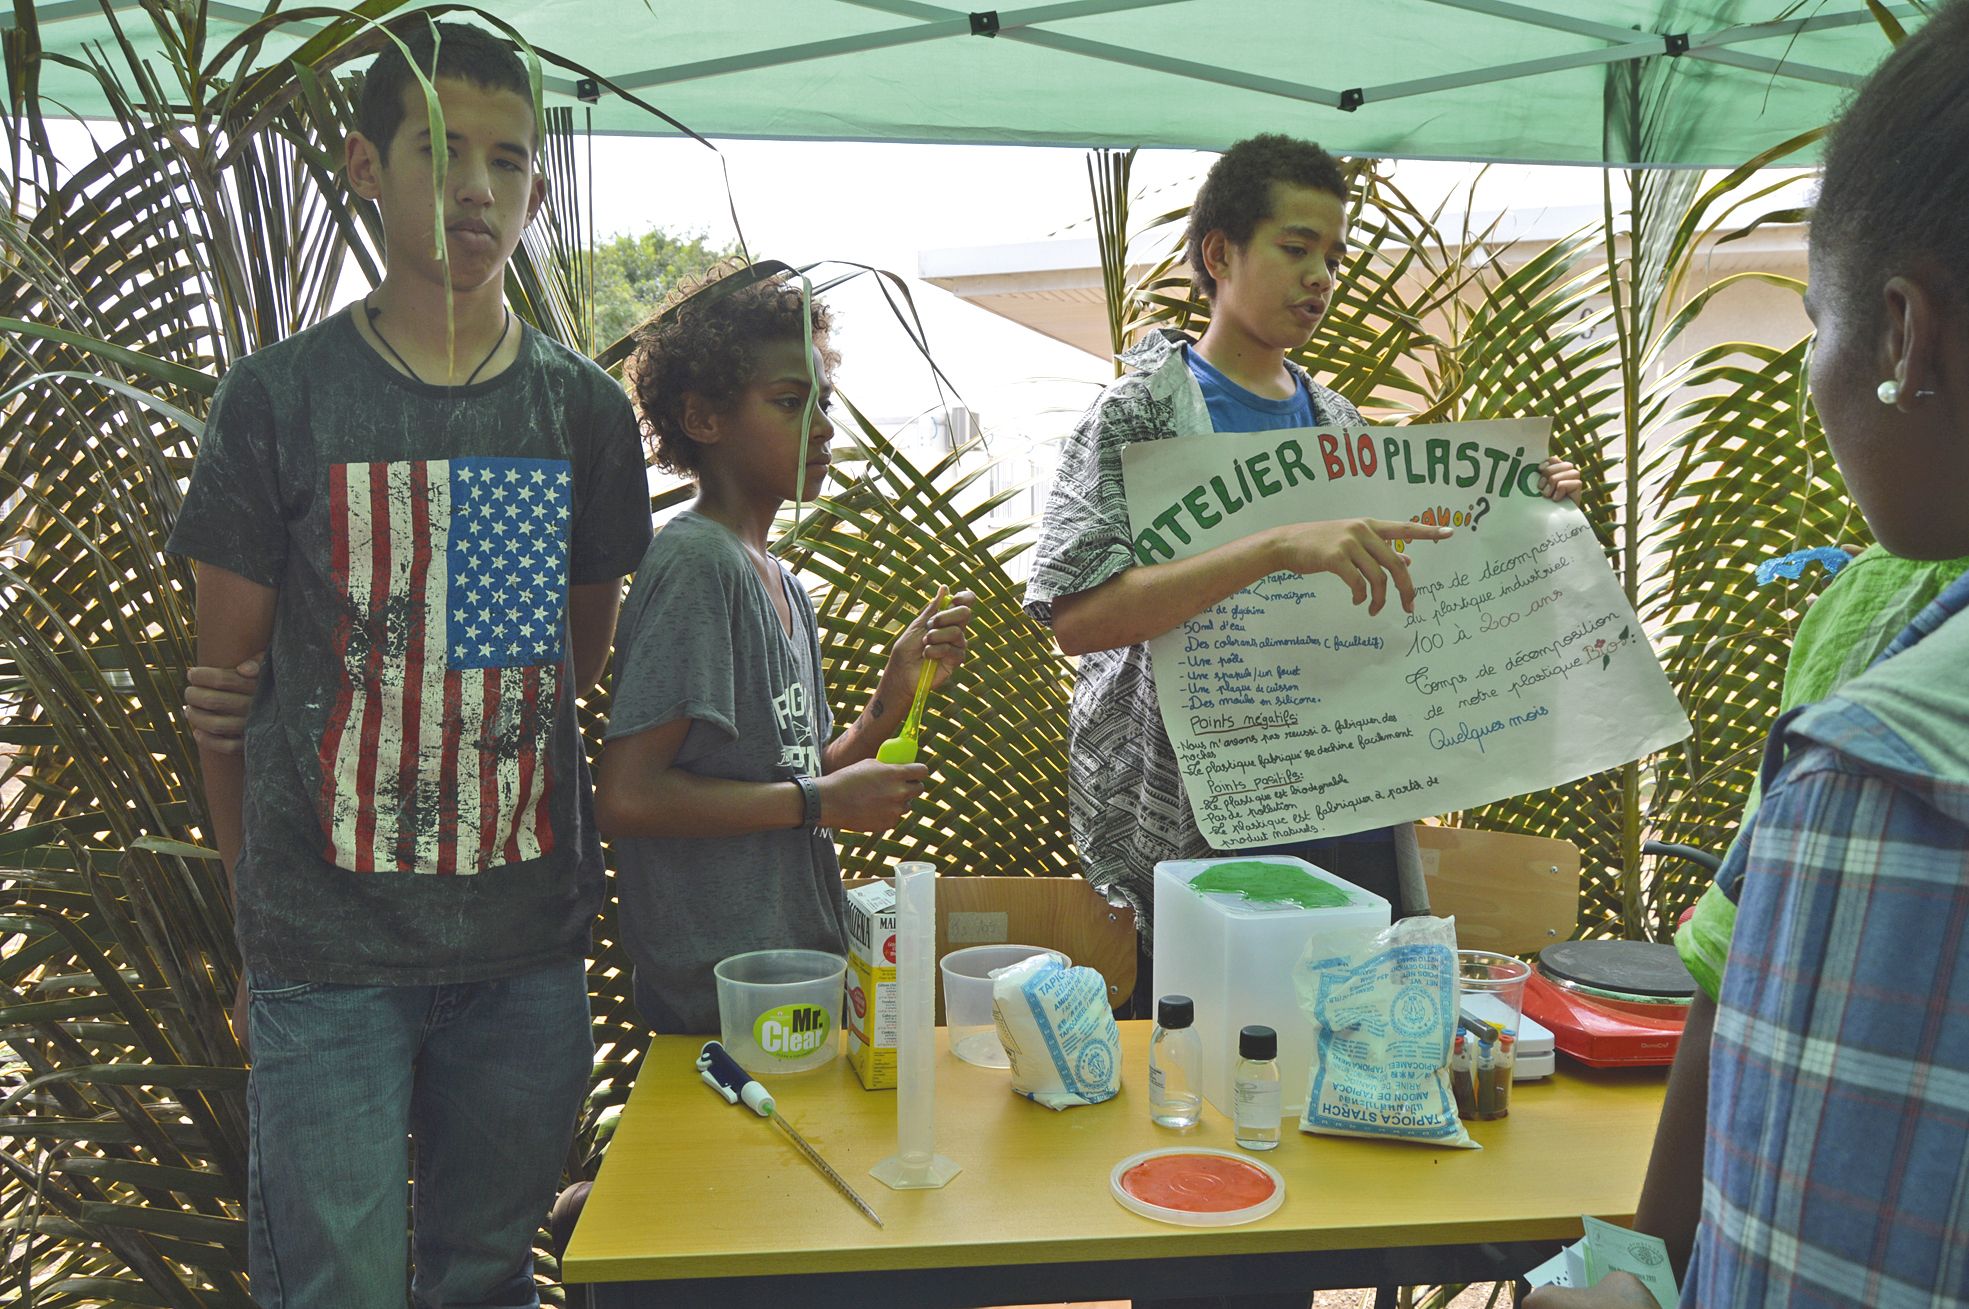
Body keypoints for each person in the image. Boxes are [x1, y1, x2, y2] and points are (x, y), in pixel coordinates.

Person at [166, 22, 652, 1305]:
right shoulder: (277, 403)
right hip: (324, 958)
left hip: (524, 952)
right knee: (337, 1289)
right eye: (439, 151)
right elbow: (226, 701)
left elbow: (574, 659)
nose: (476, 188)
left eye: (507, 158)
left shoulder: (585, 418)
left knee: (488, 1278)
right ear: (365, 167)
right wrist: (252, 908)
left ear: (538, 187)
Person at [1528, 3, 1969, 1304]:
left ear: (1902, 333)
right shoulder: (1880, 635)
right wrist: (1643, 1268)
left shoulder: (1876, 773)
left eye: (1812, 324)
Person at [1023, 134, 1582, 1002]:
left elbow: (1405, 590)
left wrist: (1519, 515)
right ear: (1219, 253)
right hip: (1199, 824)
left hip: (1341, 800)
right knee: (1210, 1059)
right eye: (1295, 248)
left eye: (1334, 255)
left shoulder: (1337, 423)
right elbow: (1076, 619)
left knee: (1340, 1048)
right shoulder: (1136, 415)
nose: (1321, 276)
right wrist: (1276, 549)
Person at [593, 267, 976, 1033]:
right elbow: (627, 797)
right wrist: (821, 802)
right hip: (720, 1000)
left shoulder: (780, 581)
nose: (825, 428)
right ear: (702, 417)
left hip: (792, 983)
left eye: (822, 401)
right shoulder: (698, 566)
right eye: (789, 402)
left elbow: (793, 781)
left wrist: (885, 705)